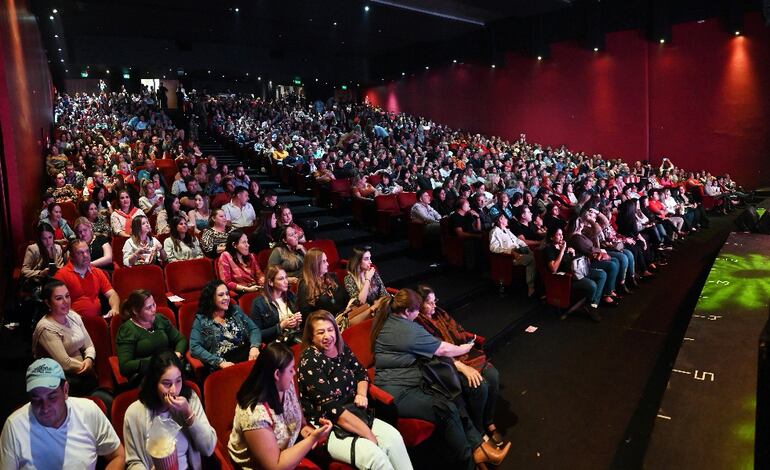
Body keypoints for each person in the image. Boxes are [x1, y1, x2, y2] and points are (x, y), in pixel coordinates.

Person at [371, 289, 510, 470]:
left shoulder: (395, 321)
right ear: (407, 311)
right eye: (416, 310)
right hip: (397, 391)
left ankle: (479, 448)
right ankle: (469, 461)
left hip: (413, 382)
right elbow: (443, 349)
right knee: (447, 409)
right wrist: (465, 349)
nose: (418, 314)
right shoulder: (405, 329)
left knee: (453, 396)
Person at [298, 310, 413, 470]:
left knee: (394, 438)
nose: (327, 336)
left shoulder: (341, 347)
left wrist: (361, 394)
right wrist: (368, 434)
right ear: (311, 336)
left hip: (353, 412)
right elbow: (331, 408)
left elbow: (361, 372)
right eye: (320, 332)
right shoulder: (309, 361)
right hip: (327, 424)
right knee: (375, 456)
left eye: (330, 330)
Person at [415, 286, 505, 446]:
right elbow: (436, 353)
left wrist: (467, 342)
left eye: (434, 301)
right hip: (446, 365)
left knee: (493, 376)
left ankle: (489, 421)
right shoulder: (418, 323)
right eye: (429, 303)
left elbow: (459, 331)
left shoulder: (440, 312)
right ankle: (479, 430)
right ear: (419, 304)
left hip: (462, 354)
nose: (434, 306)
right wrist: (462, 366)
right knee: (480, 386)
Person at [0, 358, 125, 469]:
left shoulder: (88, 411)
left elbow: (117, 455)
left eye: (52, 397)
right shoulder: (14, 426)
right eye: (36, 399)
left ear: (65, 390)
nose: (45, 408)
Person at [228, 343, 333, 469]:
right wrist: (312, 439)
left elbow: (295, 408)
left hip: (285, 451)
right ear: (277, 374)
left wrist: (304, 427)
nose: (294, 373)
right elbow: (274, 466)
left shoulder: (284, 385)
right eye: (290, 369)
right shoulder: (254, 414)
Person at [123, 351, 217, 469]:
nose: (174, 390)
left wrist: (188, 414)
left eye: (178, 381)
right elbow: (133, 462)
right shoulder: (134, 413)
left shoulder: (190, 399)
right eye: (167, 384)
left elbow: (208, 448)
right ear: (154, 384)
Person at [31, 280, 101, 397]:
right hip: (58, 381)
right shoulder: (46, 328)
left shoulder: (73, 316)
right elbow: (65, 364)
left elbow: (89, 346)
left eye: (67, 296)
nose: (66, 302)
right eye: (59, 298)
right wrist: (88, 368)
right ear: (48, 303)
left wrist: (89, 359)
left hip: (82, 373)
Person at [116, 290, 187, 383]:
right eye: (148, 307)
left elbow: (181, 339)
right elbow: (125, 366)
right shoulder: (127, 330)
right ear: (135, 311)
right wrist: (156, 362)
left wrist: (177, 353)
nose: (154, 309)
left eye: (154, 304)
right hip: (147, 376)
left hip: (171, 368)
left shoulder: (160, 319)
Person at [189, 280, 262, 371]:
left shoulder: (235, 310)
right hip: (225, 364)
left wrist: (254, 347)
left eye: (227, 294)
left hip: (246, 355)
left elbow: (254, 329)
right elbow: (194, 348)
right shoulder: (201, 320)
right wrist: (219, 362)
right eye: (221, 295)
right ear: (211, 298)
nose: (226, 298)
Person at [542, 227, 604, 321]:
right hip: (566, 278)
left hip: (577, 271)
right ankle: (589, 304)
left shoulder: (563, 245)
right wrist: (562, 251)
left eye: (562, 234)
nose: (561, 236)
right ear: (551, 237)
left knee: (602, 275)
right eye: (558, 234)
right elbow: (553, 269)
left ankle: (592, 304)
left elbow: (572, 263)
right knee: (592, 285)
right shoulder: (549, 249)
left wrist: (573, 254)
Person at [54, 239, 121, 319]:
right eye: (80, 253)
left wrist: (115, 308)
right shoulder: (62, 275)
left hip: (96, 321)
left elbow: (112, 294)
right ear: (71, 256)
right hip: (71, 322)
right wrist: (75, 318)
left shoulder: (97, 272)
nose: (85, 255)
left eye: (87, 251)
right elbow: (58, 304)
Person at [250, 266, 302, 344]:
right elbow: (256, 334)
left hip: (294, 336)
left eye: (286, 277)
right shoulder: (259, 303)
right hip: (276, 343)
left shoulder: (290, 295)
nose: (286, 281)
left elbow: (299, 319)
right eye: (281, 279)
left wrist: (297, 322)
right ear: (270, 282)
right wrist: (280, 326)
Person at [488, 214, 537, 297]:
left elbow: (517, 240)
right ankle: (531, 287)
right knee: (532, 260)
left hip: (520, 251)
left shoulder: (507, 230)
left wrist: (525, 246)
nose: (507, 220)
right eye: (505, 218)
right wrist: (511, 252)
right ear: (500, 220)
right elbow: (493, 248)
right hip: (509, 257)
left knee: (536, 256)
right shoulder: (494, 232)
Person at [296, 248, 350, 318]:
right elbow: (306, 314)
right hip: (325, 323)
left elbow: (345, 297)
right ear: (314, 264)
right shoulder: (305, 285)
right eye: (323, 261)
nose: (327, 264)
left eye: (326, 260)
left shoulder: (332, 277)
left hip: (343, 316)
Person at [21, 223, 67, 293]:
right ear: (39, 239)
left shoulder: (57, 248)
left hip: (53, 282)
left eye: (50, 237)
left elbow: (61, 267)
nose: (48, 241)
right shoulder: (32, 249)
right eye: (44, 238)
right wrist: (40, 273)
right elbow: (24, 271)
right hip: (37, 283)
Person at [217, 230, 265, 295]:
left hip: (256, 288)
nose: (248, 245)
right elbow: (226, 283)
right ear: (234, 245)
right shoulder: (226, 256)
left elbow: (259, 274)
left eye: (247, 242)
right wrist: (247, 289)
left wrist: (263, 283)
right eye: (244, 242)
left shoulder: (251, 256)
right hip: (241, 292)